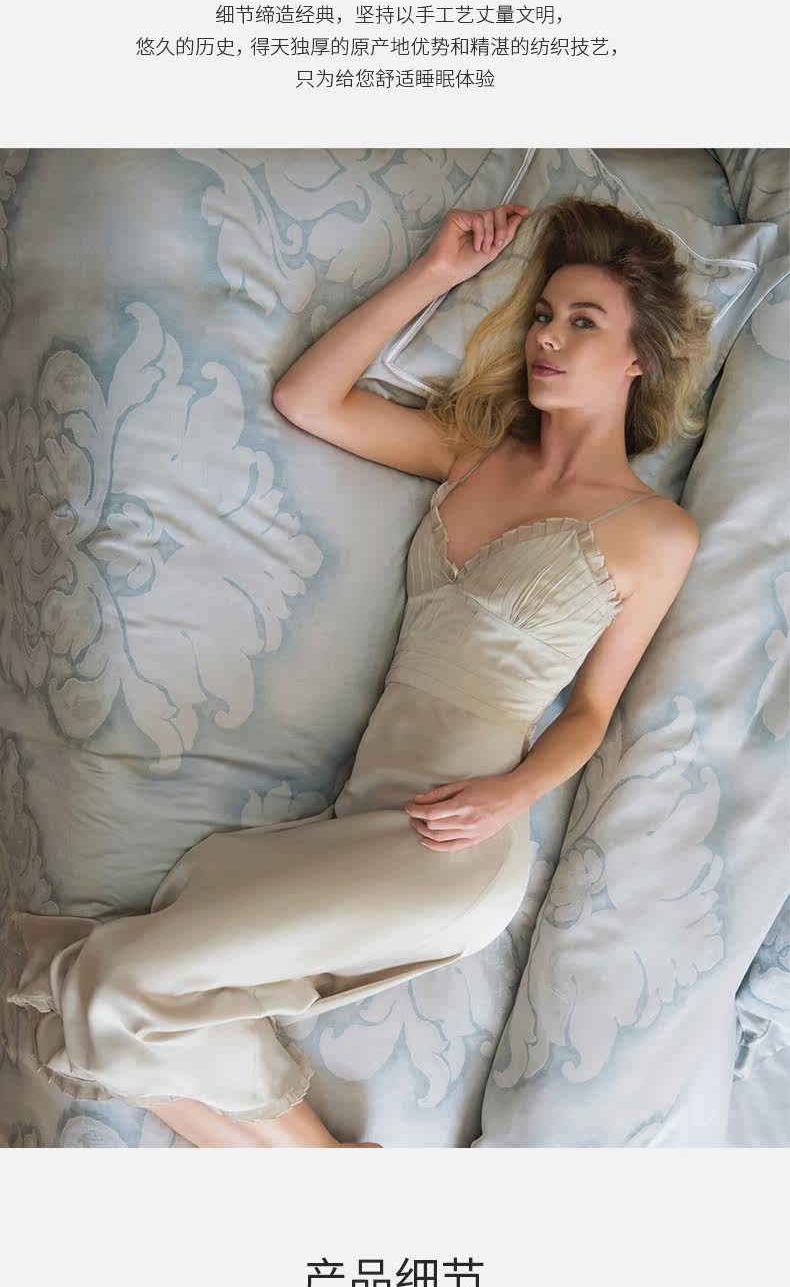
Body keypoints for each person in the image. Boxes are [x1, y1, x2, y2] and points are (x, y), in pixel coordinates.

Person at [8, 195, 712, 1148]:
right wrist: (438, 271)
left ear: (639, 358)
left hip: (454, 849)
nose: (547, 337)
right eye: (544, 314)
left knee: (106, 987)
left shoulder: (656, 532)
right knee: (94, 1004)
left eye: (583, 322)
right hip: (361, 817)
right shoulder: (475, 456)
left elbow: (591, 711)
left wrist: (510, 793)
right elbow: (308, 399)